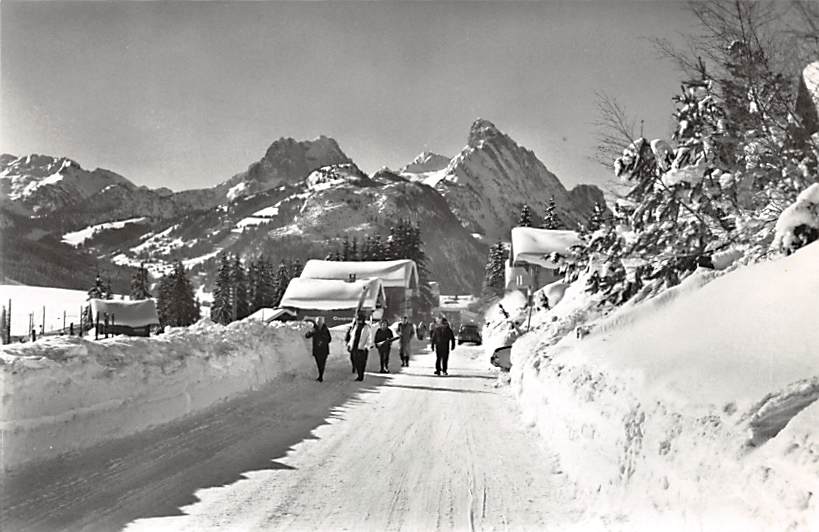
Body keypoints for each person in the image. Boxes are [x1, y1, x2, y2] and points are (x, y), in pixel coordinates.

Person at [346, 313, 373, 381]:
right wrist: (349, 345)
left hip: (362, 348)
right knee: (356, 361)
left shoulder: (366, 327)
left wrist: (367, 346)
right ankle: (359, 373)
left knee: (362, 362)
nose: (359, 321)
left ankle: (361, 376)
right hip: (355, 346)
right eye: (358, 320)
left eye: (360, 320)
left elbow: (369, 338)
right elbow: (352, 337)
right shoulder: (355, 326)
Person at [305, 317, 331, 382]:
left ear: (322, 322)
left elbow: (329, 339)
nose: (319, 323)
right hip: (317, 350)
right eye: (318, 322)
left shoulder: (326, 330)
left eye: (320, 322)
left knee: (322, 363)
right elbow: (307, 336)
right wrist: (310, 332)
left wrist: (323, 340)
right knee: (318, 363)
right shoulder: (314, 329)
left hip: (324, 350)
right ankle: (320, 375)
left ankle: (320, 376)